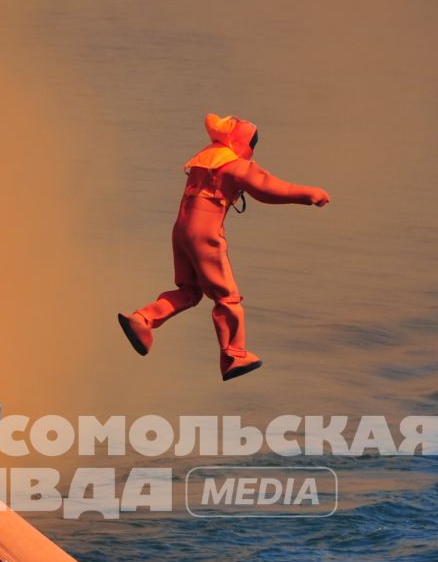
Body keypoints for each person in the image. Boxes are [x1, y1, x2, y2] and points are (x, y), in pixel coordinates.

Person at [118, 113, 330, 380]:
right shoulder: (234, 165)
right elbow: (268, 188)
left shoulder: (204, 159)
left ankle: (142, 320)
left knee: (189, 291)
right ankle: (233, 356)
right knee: (226, 296)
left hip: (181, 231)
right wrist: (310, 194)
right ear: (243, 142)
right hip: (205, 234)